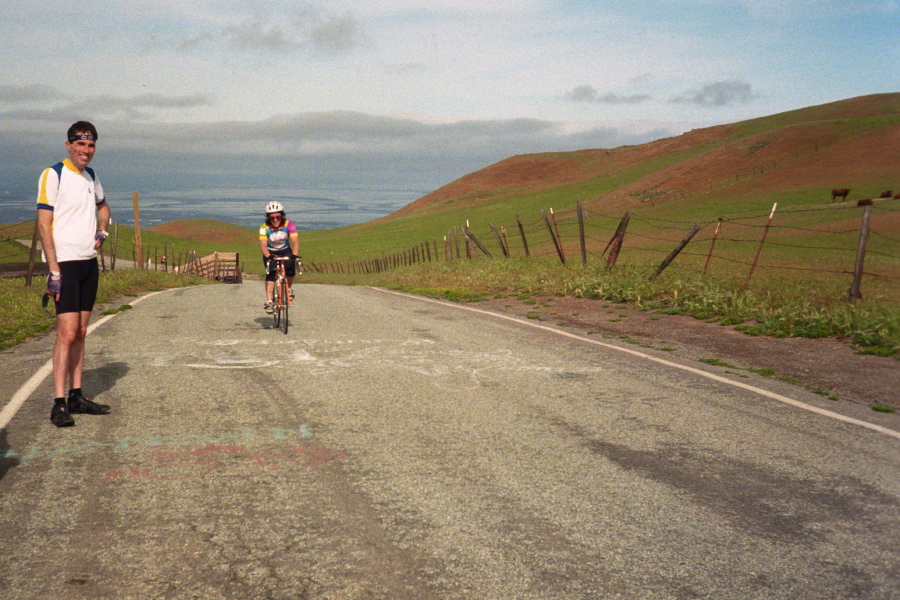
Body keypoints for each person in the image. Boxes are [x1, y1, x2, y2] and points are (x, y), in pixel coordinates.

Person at [37, 121, 112, 427]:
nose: (86, 151)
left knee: (81, 332)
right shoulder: (53, 173)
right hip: (65, 264)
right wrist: (53, 270)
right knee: (66, 335)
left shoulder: (91, 176)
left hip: (87, 263)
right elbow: (44, 224)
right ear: (68, 145)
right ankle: (58, 403)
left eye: (91, 145)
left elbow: (103, 208)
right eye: (80, 144)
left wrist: (102, 230)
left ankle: (76, 395)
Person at [258, 201, 299, 314]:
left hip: (285, 250)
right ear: (268, 218)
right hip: (270, 252)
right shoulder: (264, 227)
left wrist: (294, 254)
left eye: (278, 217)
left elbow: (295, 241)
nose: (275, 220)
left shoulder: (289, 224)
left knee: (291, 271)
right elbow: (263, 245)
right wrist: (268, 256)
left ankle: (288, 289)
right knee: (271, 274)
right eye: (272, 218)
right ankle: (269, 301)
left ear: (282, 216)